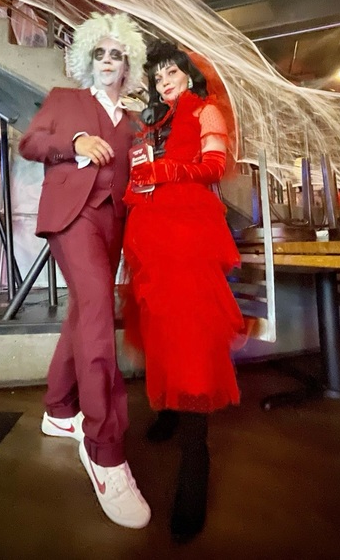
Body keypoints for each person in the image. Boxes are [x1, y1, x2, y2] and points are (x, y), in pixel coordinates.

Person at [18, 13, 149, 529]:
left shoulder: (135, 121)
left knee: (83, 310)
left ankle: (58, 410)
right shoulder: (64, 99)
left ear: (128, 64)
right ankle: (104, 448)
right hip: (72, 216)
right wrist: (72, 144)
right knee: (96, 306)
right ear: (88, 58)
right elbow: (30, 143)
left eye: (117, 54)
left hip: (113, 225)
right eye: (100, 52)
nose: (108, 61)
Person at [122, 40, 246, 541]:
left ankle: (196, 460)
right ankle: (169, 409)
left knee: (191, 332)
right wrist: (140, 177)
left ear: (189, 75)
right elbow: (140, 175)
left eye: (171, 72)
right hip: (149, 233)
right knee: (159, 325)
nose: (164, 81)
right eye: (157, 76)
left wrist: (169, 170)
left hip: (189, 231)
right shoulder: (151, 123)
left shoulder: (204, 111)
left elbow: (214, 166)